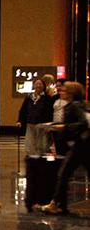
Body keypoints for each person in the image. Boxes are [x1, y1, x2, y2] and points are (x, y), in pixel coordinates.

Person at [40, 81, 89, 215]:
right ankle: (59, 204)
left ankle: (56, 204)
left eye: (64, 90)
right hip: (82, 145)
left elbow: (82, 123)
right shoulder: (76, 105)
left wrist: (64, 127)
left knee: (63, 174)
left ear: (71, 93)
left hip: (80, 146)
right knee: (64, 174)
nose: (61, 92)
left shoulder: (74, 106)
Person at [19, 77, 55, 155]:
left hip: (42, 124)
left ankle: (40, 157)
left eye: (40, 84)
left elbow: (50, 112)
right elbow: (24, 109)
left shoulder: (47, 98)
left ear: (43, 86)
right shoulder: (29, 97)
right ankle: (32, 157)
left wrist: (49, 124)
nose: (38, 86)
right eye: (36, 84)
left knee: (42, 144)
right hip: (30, 122)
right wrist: (20, 120)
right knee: (30, 143)